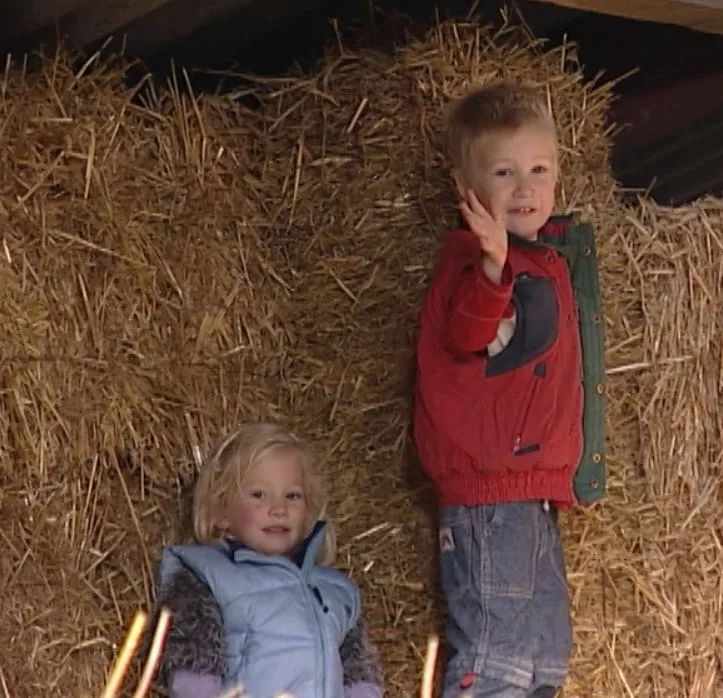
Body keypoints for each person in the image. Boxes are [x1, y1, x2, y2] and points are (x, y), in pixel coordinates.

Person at [413, 82, 606, 697]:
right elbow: (469, 332)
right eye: (504, 173)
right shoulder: (472, 261)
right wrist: (495, 264)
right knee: (496, 657)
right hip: (489, 496)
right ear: (465, 186)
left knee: (544, 657)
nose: (525, 187)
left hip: (529, 492)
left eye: (539, 170)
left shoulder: (543, 260)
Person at [152, 421, 384, 698]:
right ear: (222, 511)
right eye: (259, 495)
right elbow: (193, 665)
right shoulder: (209, 576)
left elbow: (359, 674)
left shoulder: (337, 592)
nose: (279, 509)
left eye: (292, 496)